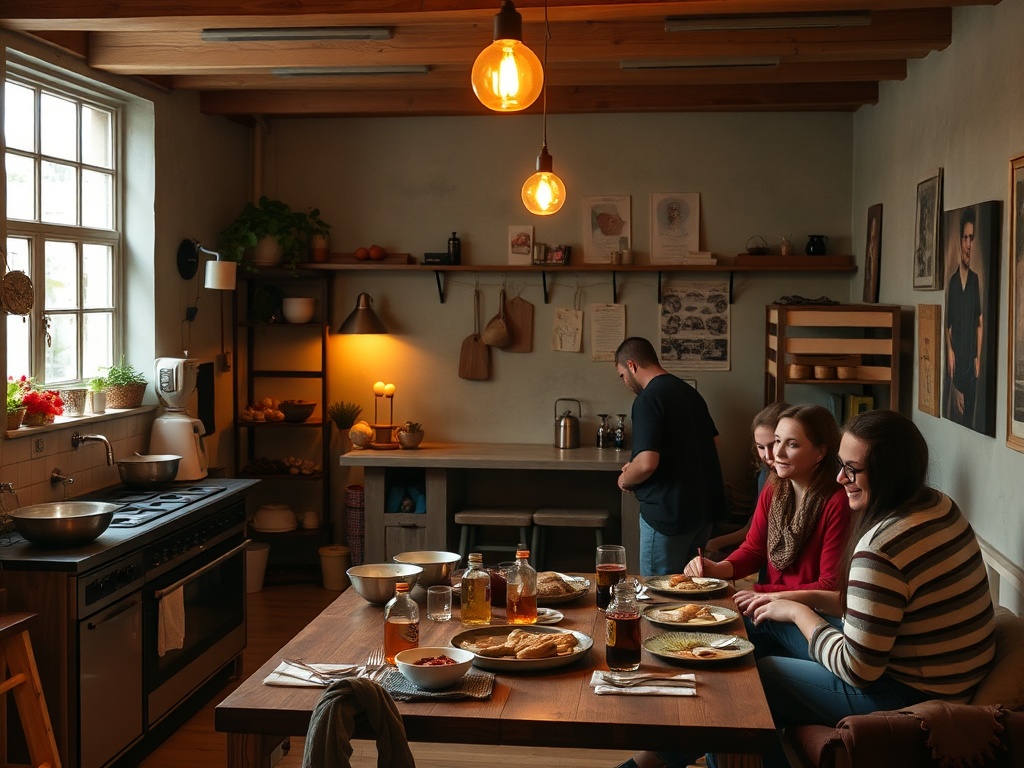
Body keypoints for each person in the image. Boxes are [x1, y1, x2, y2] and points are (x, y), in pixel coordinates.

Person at [616, 410, 996, 768]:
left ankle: (653, 757)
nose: (840, 478)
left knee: (750, 679)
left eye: (852, 469)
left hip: (909, 691)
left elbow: (858, 669)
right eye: (842, 467)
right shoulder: (938, 505)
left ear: (889, 472)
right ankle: (656, 755)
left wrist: (797, 610)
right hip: (938, 674)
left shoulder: (880, 548)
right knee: (753, 624)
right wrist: (774, 600)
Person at [613, 336, 727, 576]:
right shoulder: (689, 392)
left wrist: (626, 478)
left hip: (668, 516)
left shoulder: (647, 399)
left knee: (657, 597)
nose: (624, 382)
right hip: (701, 513)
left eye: (622, 375)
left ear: (632, 365)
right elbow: (714, 443)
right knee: (688, 590)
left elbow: (646, 464)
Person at [704, 401, 791, 558]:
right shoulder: (766, 475)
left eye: (773, 444)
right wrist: (715, 544)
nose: (768, 456)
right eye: (761, 447)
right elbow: (754, 529)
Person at [945, 205, 983, 427]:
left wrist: (977, 357)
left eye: (972, 238)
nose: (969, 245)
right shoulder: (951, 282)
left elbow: (979, 321)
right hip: (957, 365)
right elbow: (948, 325)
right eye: (965, 238)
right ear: (959, 241)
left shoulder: (976, 280)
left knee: (970, 418)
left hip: (970, 363)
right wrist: (950, 350)